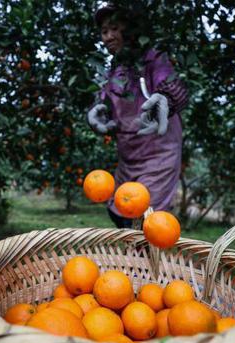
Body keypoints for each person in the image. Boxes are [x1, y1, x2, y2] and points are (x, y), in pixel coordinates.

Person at [87, 5, 189, 228]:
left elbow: (173, 86)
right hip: (129, 156)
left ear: (130, 29)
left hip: (158, 155)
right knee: (119, 211)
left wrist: (167, 98)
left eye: (114, 28)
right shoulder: (114, 70)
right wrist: (96, 113)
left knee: (147, 221)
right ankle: (134, 261)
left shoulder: (152, 60)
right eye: (104, 32)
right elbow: (104, 100)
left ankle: (145, 262)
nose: (108, 37)